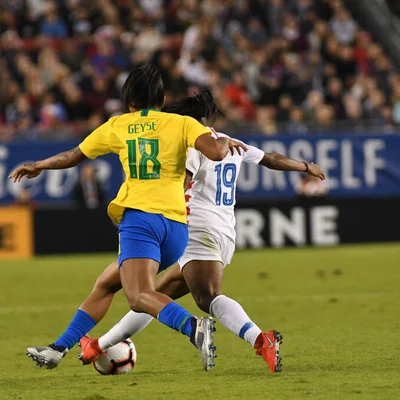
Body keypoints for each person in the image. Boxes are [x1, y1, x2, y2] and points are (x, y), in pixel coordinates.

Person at [9, 63, 247, 371]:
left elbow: (74, 156)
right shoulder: (180, 124)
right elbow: (216, 153)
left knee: (138, 296)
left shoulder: (119, 125)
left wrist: (40, 164)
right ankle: (58, 348)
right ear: (161, 100)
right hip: (176, 228)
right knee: (107, 283)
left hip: (141, 221)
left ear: (129, 102)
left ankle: (192, 327)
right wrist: (225, 141)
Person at [78, 92, 326, 373]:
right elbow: (271, 159)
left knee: (207, 297)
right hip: (224, 232)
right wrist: (305, 166)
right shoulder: (229, 142)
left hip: (198, 227)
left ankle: (261, 339)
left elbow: (180, 182)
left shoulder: (193, 146)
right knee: (152, 296)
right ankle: (97, 345)